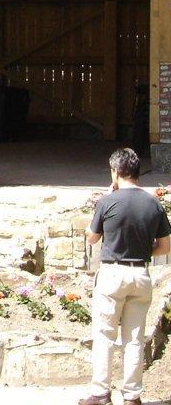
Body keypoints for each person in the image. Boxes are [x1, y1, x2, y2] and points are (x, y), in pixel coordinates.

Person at [79, 148, 171, 405]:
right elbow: (165, 246)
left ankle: (100, 393)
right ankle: (132, 396)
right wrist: (143, 252)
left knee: (105, 336)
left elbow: (92, 236)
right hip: (140, 273)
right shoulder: (153, 202)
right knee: (134, 339)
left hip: (111, 273)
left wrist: (108, 196)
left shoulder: (108, 201)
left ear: (116, 172)